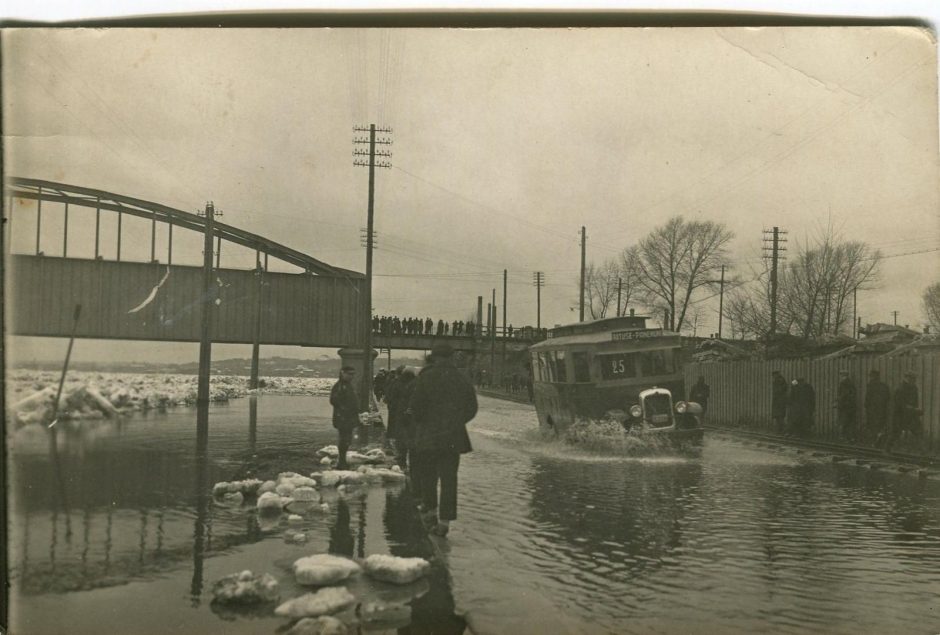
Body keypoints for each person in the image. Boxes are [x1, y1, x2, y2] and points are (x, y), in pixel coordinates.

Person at [409, 342, 478, 537]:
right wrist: (456, 422)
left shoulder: (426, 377)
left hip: (429, 436)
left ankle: (430, 512)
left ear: (434, 356)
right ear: (451, 356)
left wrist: (425, 423)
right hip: (453, 437)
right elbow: (472, 408)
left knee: (428, 476)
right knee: (449, 479)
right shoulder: (462, 378)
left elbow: (416, 406)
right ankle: (444, 522)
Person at [329, 365, 359, 470]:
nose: (352, 376)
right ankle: (341, 462)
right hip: (343, 417)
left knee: (347, 439)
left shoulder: (347, 385)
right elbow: (333, 400)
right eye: (350, 374)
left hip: (348, 417)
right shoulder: (340, 386)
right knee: (344, 439)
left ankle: (342, 460)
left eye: (353, 374)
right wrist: (344, 408)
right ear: (343, 373)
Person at [889, 371, 921, 449]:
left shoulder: (914, 388)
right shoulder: (900, 389)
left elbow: (915, 402)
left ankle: (922, 451)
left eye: (914, 379)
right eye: (911, 378)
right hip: (899, 414)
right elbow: (899, 404)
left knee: (918, 430)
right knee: (896, 433)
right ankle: (887, 449)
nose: (913, 380)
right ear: (906, 378)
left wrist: (915, 410)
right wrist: (911, 408)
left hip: (911, 414)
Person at [864, 369, 890, 447]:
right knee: (881, 426)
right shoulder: (884, 386)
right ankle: (879, 442)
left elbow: (867, 398)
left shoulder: (870, 385)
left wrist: (867, 406)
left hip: (872, 410)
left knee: (873, 426)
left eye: (871, 376)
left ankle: (874, 442)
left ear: (872, 377)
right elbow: (888, 397)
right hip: (882, 410)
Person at [835, 370, 857, 442]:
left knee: (843, 422)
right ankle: (851, 437)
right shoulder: (851, 384)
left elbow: (843, 395)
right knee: (851, 422)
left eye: (841, 375)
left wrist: (838, 402)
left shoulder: (843, 384)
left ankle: (843, 437)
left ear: (843, 376)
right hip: (852, 406)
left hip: (844, 406)